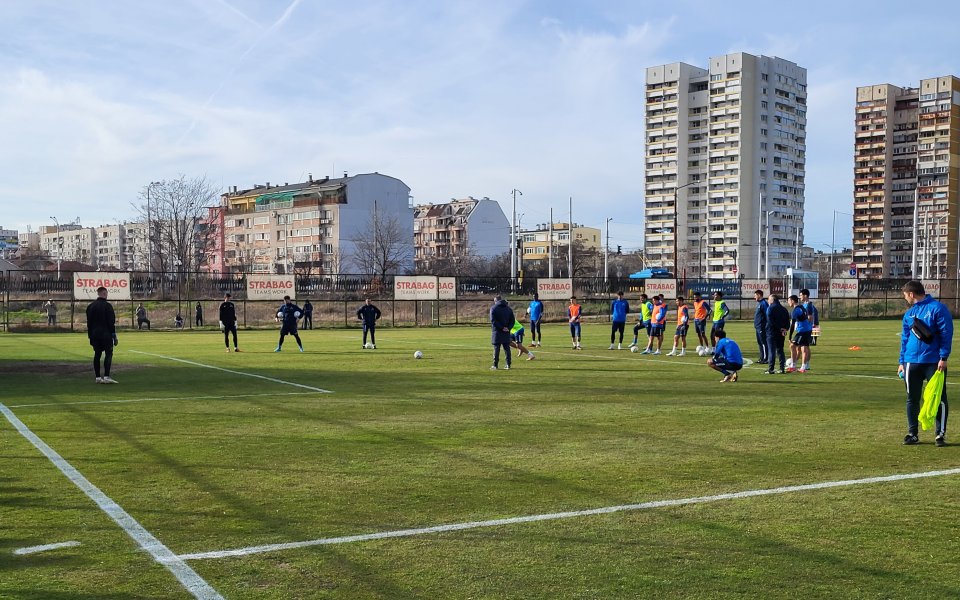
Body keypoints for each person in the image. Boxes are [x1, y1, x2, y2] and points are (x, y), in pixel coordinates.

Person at [899, 280, 952, 446]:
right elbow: (905, 339)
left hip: (933, 362)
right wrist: (902, 361)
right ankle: (912, 433)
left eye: (905, 295)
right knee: (912, 398)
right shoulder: (909, 314)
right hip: (911, 362)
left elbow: (946, 334)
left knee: (939, 398)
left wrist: (943, 358)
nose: (905, 298)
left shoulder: (938, 308)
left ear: (911, 294)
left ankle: (940, 434)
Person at [86, 286, 118, 384]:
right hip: (106, 334)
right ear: (104, 293)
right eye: (106, 293)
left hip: (95, 334)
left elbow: (89, 323)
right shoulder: (108, 306)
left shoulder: (90, 306)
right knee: (108, 354)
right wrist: (114, 336)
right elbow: (111, 322)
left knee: (97, 354)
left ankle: (98, 377)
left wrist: (90, 336)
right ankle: (107, 376)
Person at [764, 294, 790, 375]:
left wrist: (779, 328)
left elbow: (770, 321)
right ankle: (782, 368)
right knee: (780, 350)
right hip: (781, 333)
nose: (768, 301)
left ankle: (771, 368)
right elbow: (788, 321)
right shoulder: (784, 309)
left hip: (772, 332)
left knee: (771, 350)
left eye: (768, 299)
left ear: (772, 299)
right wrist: (785, 328)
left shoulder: (770, 308)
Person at [787, 295, 813, 373]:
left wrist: (790, 336)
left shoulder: (796, 310)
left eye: (788, 301)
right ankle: (801, 367)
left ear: (792, 301)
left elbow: (792, 324)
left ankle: (795, 366)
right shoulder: (802, 307)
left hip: (803, 331)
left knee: (794, 346)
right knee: (803, 348)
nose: (788, 302)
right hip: (807, 329)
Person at [490, 295, 515, 369]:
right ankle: (508, 364)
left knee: (496, 348)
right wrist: (508, 328)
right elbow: (512, 321)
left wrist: (501, 328)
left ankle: (495, 365)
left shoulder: (493, 308)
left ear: (496, 301)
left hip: (497, 331)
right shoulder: (509, 309)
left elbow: (493, 320)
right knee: (507, 348)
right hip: (506, 331)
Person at [753, 290, 769, 364]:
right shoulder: (760, 304)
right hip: (758, 327)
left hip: (762, 327)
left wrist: (766, 325)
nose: (754, 297)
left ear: (759, 295)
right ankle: (761, 357)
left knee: (763, 343)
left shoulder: (764, 303)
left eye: (755, 295)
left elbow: (767, 315)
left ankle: (766, 358)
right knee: (760, 343)